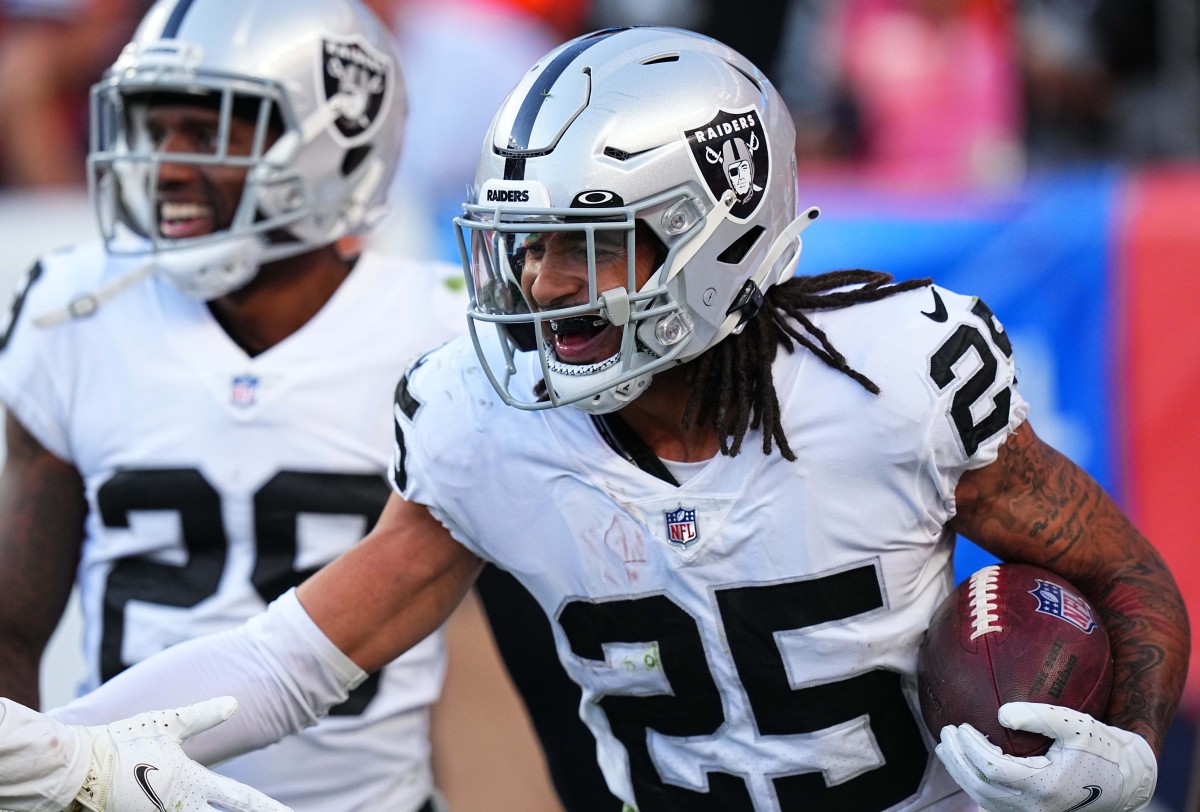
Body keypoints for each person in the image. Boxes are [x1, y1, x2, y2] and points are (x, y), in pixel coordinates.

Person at [0, 24, 1189, 812]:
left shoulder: (892, 379)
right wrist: (70, 745)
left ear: (719, 233)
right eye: (526, 247)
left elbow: (1131, 577)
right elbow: (291, 657)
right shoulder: (486, 421)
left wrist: (1131, 745)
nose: (545, 285)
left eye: (590, 245)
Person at [0, 0, 465, 810]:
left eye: (208, 130)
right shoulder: (73, 314)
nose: (166, 166)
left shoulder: (445, 335)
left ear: (337, 137)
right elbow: (11, 630)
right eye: (154, 130)